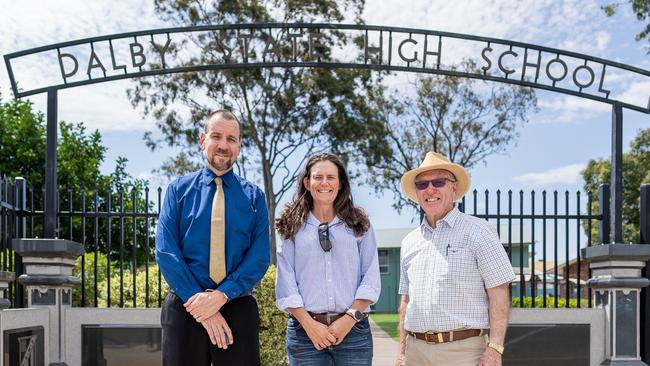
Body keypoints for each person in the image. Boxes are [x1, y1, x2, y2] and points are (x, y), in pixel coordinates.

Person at [155, 109, 270, 366]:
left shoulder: (254, 197)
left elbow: (259, 257)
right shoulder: (178, 191)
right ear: (202, 139)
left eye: (231, 139)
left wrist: (220, 297)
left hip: (237, 306)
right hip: (185, 306)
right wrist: (201, 307)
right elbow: (166, 251)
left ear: (239, 146)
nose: (223, 145)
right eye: (216, 136)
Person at [394, 152, 515, 366]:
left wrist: (495, 348)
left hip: (465, 352)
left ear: (454, 187)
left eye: (438, 182)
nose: (430, 190)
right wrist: (403, 351)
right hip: (415, 352)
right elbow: (406, 301)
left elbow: (499, 294)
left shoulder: (480, 232)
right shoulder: (409, 242)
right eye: (422, 185)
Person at [275, 152, 381, 366]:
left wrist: (348, 320)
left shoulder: (360, 224)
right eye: (318, 177)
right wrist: (309, 325)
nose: (324, 183)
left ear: (341, 183)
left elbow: (370, 278)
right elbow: (286, 282)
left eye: (331, 177)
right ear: (307, 182)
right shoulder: (290, 226)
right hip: (305, 333)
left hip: (354, 331)